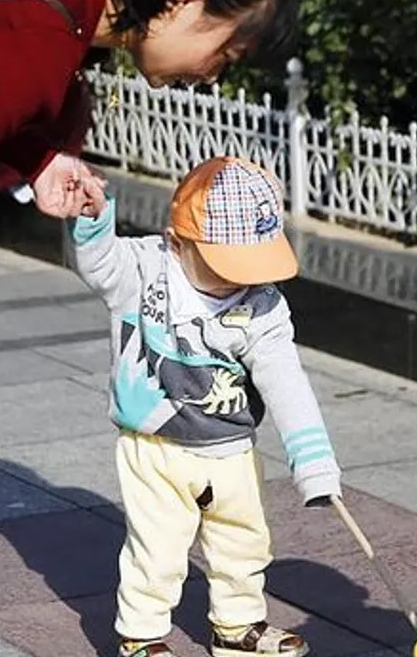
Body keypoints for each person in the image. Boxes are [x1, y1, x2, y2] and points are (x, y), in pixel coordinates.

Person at [0, 0, 297, 655]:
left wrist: (38, 157)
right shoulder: (42, 38)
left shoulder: (62, 9)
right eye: (227, 51)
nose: (213, 74)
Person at [68, 156, 342, 657]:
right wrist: (95, 219)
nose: (240, 281)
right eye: (226, 267)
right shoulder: (145, 269)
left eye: (253, 264)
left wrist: (314, 461)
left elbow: (285, 379)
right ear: (178, 242)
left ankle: (237, 626)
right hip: (156, 445)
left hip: (233, 446)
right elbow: (101, 264)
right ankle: (141, 634)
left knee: (244, 540)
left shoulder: (262, 303)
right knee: (157, 546)